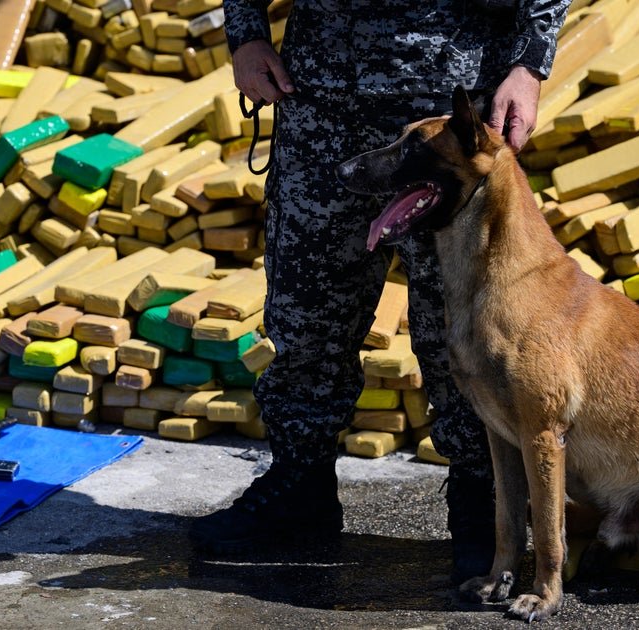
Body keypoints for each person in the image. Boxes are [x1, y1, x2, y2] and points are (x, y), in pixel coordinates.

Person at [189, 0, 571, 583]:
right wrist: (246, 35)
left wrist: (529, 65)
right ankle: (299, 488)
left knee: (466, 334)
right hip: (320, 99)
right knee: (305, 318)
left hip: (447, 107)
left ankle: (484, 506)